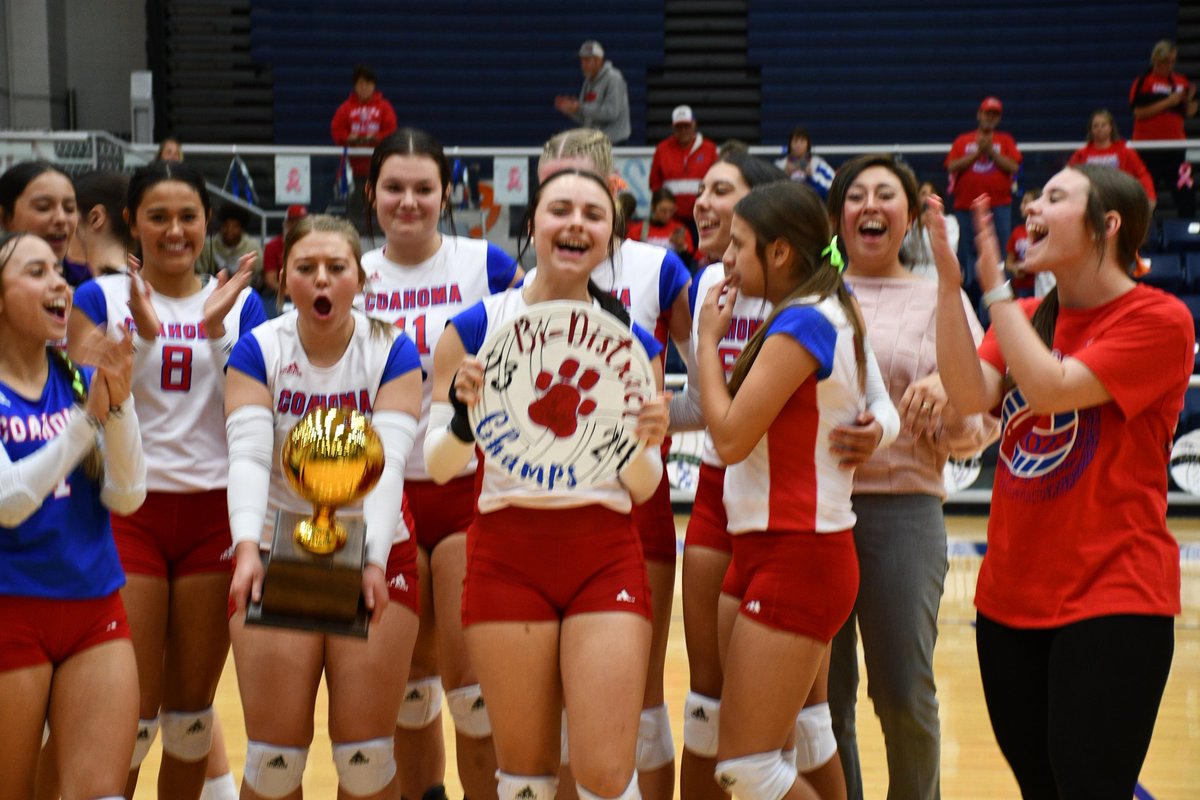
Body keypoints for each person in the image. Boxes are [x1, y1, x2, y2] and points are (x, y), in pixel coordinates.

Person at [932, 165, 1191, 799]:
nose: (1033, 208)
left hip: (1114, 594)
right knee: (1042, 789)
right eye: (1036, 197)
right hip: (1007, 598)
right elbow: (970, 396)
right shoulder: (1022, 316)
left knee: (1091, 785)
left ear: (1109, 224)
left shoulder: (1159, 319)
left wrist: (992, 287)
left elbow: (1051, 391)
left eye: (1055, 197)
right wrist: (948, 284)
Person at [423, 167, 670, 800]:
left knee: (607, 776)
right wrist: (461, 414)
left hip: (604, 555)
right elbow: (440, 466)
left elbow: (645, 487)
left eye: (594, 214)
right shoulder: (475, 327)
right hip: (507, 556)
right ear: (531, 224)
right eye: (560, 209)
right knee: (526, 778)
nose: (576, 223)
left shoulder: (632, 341)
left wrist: (635, 438)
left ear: (611, 236)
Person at [69, 161, 266, 799]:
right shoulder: (97, 299)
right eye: (158, 216)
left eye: (188, 216)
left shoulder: (240, 301)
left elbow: (253, 411)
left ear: (208, 222)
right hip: (132, 515)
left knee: (191, 718)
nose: (174, 230)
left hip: (214, 516)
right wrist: (145, 342)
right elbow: (83, 420)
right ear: (132, 222)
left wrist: (212, 333)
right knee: (129, 715)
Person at [694, 180, 896, 800]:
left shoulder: (806, 322)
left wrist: (705, 339)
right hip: (765, 548)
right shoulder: (820, 308)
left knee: (748, 769)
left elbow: (727, 438)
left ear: (780, 253)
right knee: (806, 736)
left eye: (740, 245)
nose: (726, 259)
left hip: (799, 553)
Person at [225, 214, 423, 799]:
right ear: (284, 279)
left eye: (336, 268)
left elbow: (385, 467)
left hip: (372, 546)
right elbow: (250, 459)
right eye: (306, 268)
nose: (321, 280)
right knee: (274, 762)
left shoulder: (392, 348)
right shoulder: (259, 348)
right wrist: (245, 550)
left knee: (365, 762)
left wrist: (373, 561)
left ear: (359, 279)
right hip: (275, 545)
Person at [825, 154, 999, 800]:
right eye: (857, 195)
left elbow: (976, 423)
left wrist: (947, 390)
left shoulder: (938, 299)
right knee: (823, 700)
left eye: (886, 195)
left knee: (902, 692)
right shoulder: (810, 294)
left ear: (909, 218)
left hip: (902, 510)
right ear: (837, 215)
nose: (871, 205)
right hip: (811, 509)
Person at [360, 127, 521, 800]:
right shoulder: (349, 272)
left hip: (465, 490)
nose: (409, 201)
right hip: (378, 495)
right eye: (394, 188)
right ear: (371, 195)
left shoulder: (487, 263)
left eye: (424, 188)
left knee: (472, 694)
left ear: (446, 193)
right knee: (407, 693)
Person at [534, 127, 692, 800]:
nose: (567, 207)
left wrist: (657, 418)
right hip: (550, 506)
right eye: (552, 191)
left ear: (614, 193)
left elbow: (714, 389)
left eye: (581, 189)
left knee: (642, 703)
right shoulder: (522, 282)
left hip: (637, 502)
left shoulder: (658, 270)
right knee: (561, 707)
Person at [0, 231, 145, 800]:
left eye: (60, 270)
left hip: (94, 608)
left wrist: (122, 401)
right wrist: (87, 422)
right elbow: (8, 504)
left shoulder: (78, 380)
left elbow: (128, 495)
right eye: (36, 272)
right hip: (12, 608)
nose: (60, 282)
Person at [668, 152, 790, 800]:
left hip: (794, 505)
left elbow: (864, 395)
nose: (703, 202)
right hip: (719, 492)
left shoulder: (816, 288)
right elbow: (703, 406)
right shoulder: (708, 280)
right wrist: (642, 412)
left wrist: (877, 429)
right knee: (705, 701)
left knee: (790, 714)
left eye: (722, 190)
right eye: (702, 189)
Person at [945, 97, 1022, 299]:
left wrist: (992, 153)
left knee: (1000, 251)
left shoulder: (1005, 140)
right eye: (987, 113)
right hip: (966, 206)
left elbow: (1014, 167)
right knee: (969, 252)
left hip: (999, 205)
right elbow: (951, 166)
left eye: (994, 114)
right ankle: (972, 295)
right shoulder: (963, 140)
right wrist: (978, 152)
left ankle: (1000, 295)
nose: (990, 118)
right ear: (979, 115)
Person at [1130, 40, 1197, 218]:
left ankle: (1188, 233)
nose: (1170, 65)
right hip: (1148, 147)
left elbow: (1189, 112)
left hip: (1175, 147)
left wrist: (1189, 100)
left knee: (1185, 190)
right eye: (1167, 61)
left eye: (1173, 61)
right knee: (1146, 194)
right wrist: (1169, 101)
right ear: (1156, 60)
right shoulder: (1144, 82)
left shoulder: (1180, 82)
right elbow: (1139, 112)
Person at [331, 64, 399, 229]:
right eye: (360, 83)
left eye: (368, 83)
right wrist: (349, 138)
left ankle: (380, 238)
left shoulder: (384, 108)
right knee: (354, 207)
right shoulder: (345, 109)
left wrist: (375, 138)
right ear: (355, 85)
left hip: (379, 170)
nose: (364, 87)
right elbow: (337, 131)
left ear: (373, 85)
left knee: (379, 206)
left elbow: (391, 131)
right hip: (354, 172)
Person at [0, 161, 87, 286]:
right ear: (4, 217)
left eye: (69, 208)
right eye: (43, 207)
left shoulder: (89, 282)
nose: (61, 219)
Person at [650, 105, 719, 242]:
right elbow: (655, 183)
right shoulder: (662, 149)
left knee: (701, 252)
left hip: (702, 214)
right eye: (679, 127)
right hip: (672, 217)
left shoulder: (709, 149)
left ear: (694, 125)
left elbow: (717, 181)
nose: (683, 131)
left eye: (686, 126)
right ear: (673, 128)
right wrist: (666, 208)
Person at [1068, 109, 1156, 207]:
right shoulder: (1081, 154)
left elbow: (1142, 175)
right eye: (1095, 126)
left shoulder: (1126, 152)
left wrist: (1150, 197)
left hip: (1120, 200)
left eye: (1103, 125)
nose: (1099, 129)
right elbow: (1069, 175)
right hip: (1091, 203)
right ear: (1091, 130)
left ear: (1111, 128)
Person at [554, 40, 631, 145]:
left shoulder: (614, 78)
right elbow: (586, 117)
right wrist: (571, 110)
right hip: (595, 145)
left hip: (615, 145)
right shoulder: (588, 82)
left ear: (598, 60)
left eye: (587, 60)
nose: (583, 64)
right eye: (581, 60)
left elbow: (611, 112)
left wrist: (579, 107)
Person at [73, 170, 131, 278]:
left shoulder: (90, 291)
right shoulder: (145, 285)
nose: (63, 222)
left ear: (95, 218)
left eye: (69, 210)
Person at [901, 180, 959, 283]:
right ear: (917, 201)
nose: (928, 196)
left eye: (932, 192)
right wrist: (918, 226)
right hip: (911, 274)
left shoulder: (950, 221)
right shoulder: (910, 222)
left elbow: (948, 250)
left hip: (938, 275)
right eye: (923, 193)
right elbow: (906, 253)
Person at [626, 187, 696, 267]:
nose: (667, 214)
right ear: (653, 207)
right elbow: (630, 258)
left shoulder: (680, 230)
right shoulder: (638, 230)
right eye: (663, 210)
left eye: (671, 210)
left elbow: (688, 264)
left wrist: (681, 247)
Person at [261, 204, 308, 317]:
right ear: (286, 223)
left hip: (307, 292)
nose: (296, 226)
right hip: (278, 294)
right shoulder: (272, 246)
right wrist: (287, 291)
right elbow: (270, 279)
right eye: (293, 222)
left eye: (300, 222)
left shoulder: (314, 246)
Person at [198, 202, 264, 279]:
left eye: (235, 226)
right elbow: (201, 275)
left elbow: (257, 274)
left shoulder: (252, 247)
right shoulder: (208, 246)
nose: (230, 230)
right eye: (226, 225)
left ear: (242, 229)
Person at [775, 126, 836, 200]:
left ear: (808, 144)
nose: (798, 145)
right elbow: (772, 194)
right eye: (795, 141)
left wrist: (812, 176)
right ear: (789, 144)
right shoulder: (779, 166)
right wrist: (784, 175)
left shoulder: (819, 164)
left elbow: (833, 190)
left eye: (802, 141)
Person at [1004, 190, 1041, 299]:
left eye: (1025, 202)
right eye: (1021, 203)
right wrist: (1016, 268)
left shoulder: (1045, 231)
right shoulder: (1017, 232)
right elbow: (1009, 263)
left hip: (1042, 285)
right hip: (1022, 288)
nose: (1021, 206)